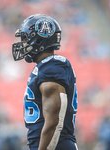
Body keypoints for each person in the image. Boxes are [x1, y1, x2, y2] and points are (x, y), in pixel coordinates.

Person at [12, 14, 78, 150]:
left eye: (25, 38)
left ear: (38, 40)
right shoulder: (44, 67)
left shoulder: (51, 67)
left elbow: (54, 123)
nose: (23, 43)